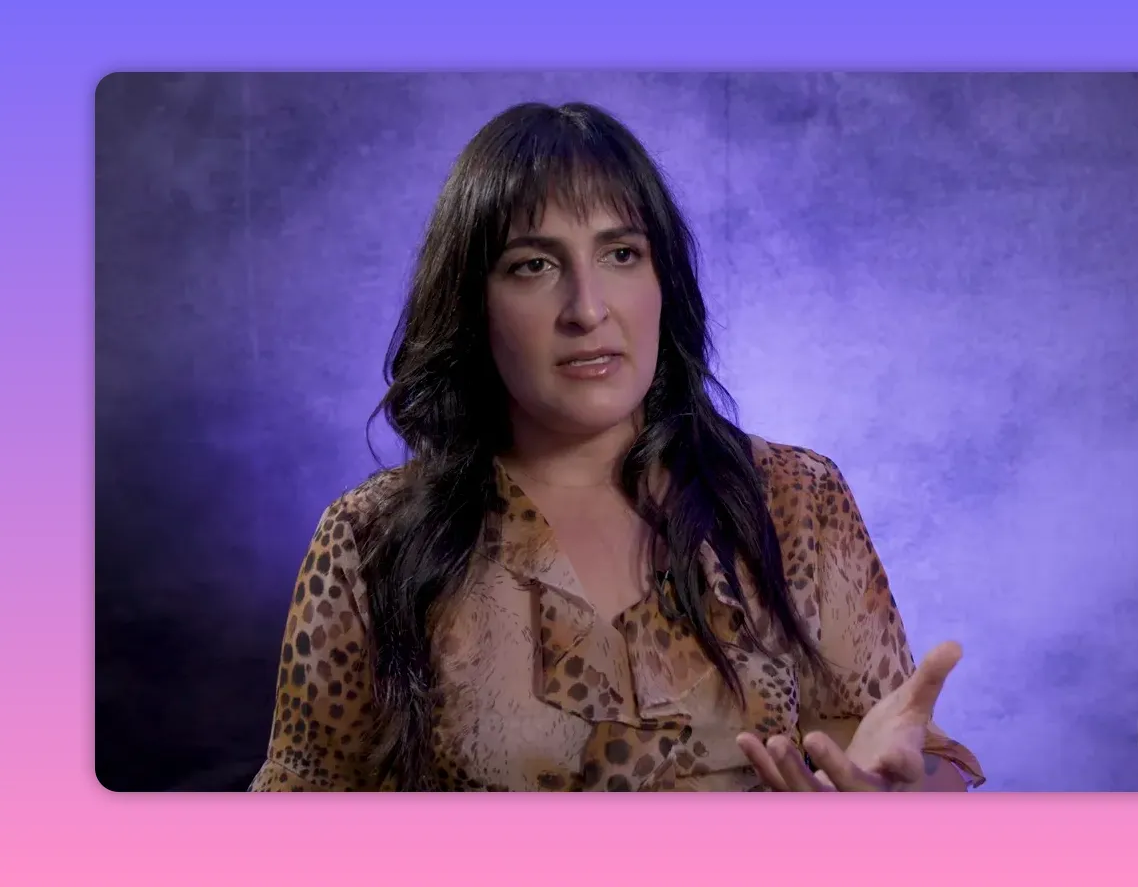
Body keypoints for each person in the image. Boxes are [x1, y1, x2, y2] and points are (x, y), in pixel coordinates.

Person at [247, 101, 984, 792]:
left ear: (665, 280)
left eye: (622, 254)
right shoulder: (370, 538)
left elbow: (906, 752)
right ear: (472, 303)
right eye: (533, 265)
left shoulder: (796, 497)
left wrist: (898, 793)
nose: (588, 308)